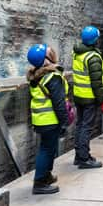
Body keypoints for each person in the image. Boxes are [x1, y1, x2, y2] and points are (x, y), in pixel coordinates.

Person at [26, 44, 69, 195]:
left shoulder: (36, 76)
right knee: (46, 150)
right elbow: (59, 102)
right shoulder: (52, 77)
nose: (53, 53)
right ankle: (39, 183)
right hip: (50, 120)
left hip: (41, 120)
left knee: (49, 149)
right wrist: (64, 122)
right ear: (45, 60)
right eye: (49, 53)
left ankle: (46, 176)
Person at [72, 25, 103, 169]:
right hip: (89, 98)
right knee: (86, 127)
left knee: (80, 125)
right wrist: (102, 100)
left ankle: (79, 155)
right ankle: (84, 159)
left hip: (79, 95)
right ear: (95, 40)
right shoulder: (92, 57)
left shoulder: (78, 53)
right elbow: (97, 83)